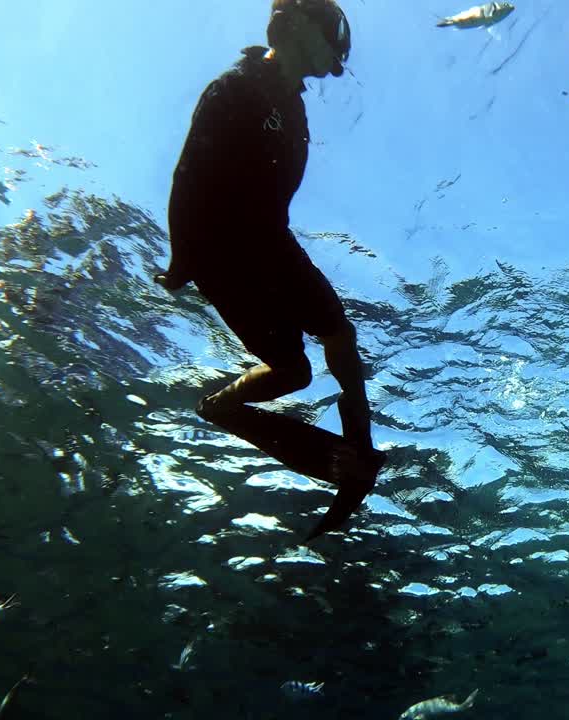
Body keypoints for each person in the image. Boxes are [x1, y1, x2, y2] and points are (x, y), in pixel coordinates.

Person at [155, 0, 383, 540]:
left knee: (339, 334)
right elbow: (188, 173)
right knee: (293, 372)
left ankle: (360, 450)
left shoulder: (294, 106)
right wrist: (182, 259)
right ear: (297, 23)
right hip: (221, 253)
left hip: (272, 241)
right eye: (333, 32)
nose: (340, 49)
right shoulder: (236, 87)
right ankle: (220, 407)